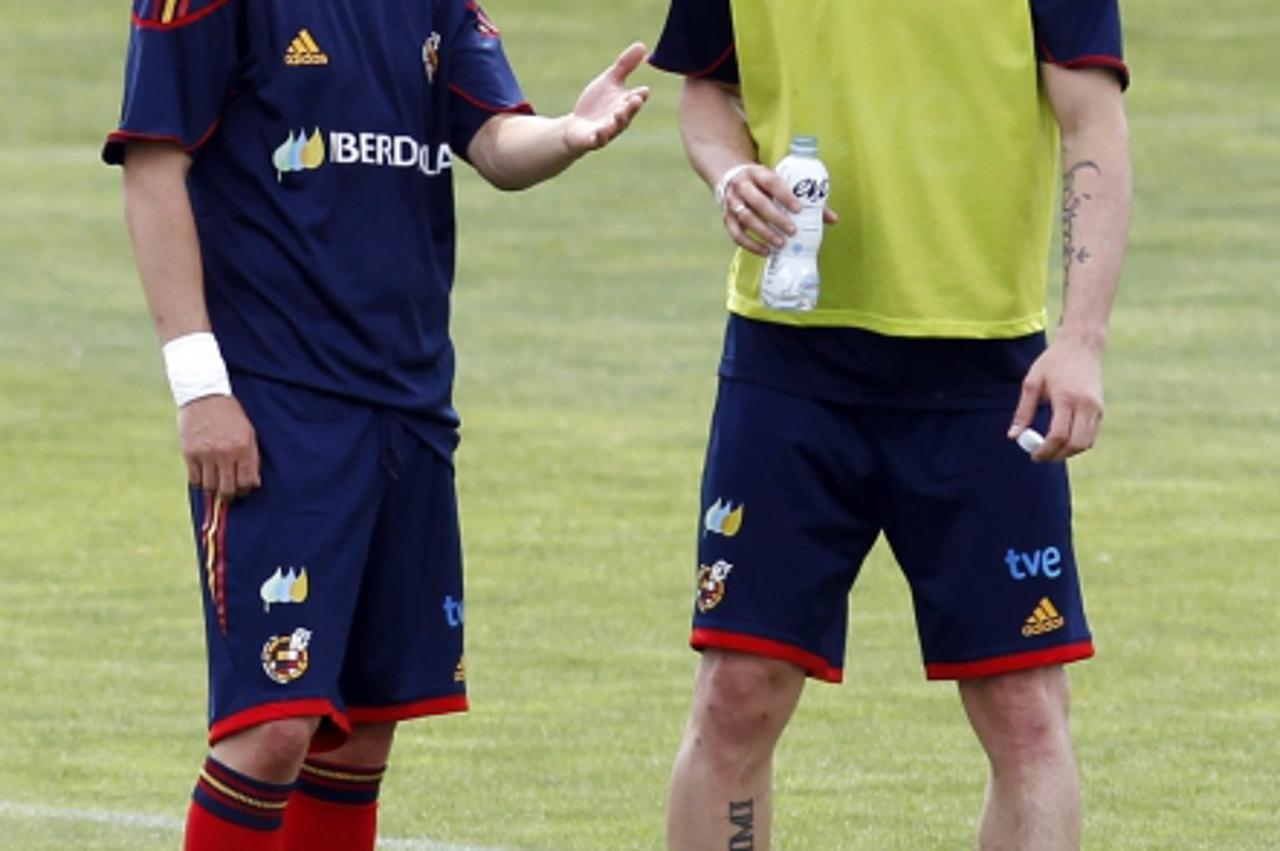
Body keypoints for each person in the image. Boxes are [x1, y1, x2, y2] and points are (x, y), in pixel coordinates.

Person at [104, 1, 647, 848]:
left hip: (409, 403)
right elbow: (152, 167)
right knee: (274, 724)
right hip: (277, 403)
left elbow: (497, 144)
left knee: (360, 733)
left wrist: (569, 133)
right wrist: (200, 387)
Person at [649, 0, 1131, 848]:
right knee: (737, 691)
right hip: (787, 361)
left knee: (1023, 710)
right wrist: (731, 174)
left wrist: (1082, 338)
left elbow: (1092, 121)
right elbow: (706, 91)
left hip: (986, 373)